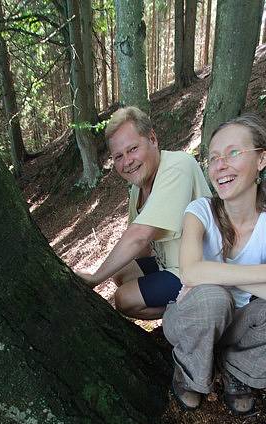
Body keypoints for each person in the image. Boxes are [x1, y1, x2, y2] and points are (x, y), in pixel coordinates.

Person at [162, 113, 266, 415]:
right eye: (213, 158)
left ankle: (238, 368)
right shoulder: (199, 211)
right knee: (212, 296)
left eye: (233, 153)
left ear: (262, 160)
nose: (220, 165)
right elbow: (192, 271)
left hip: (239, 324)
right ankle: (190, 373)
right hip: (190, 318)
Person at [75, 106, 211, 320]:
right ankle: (180, 308)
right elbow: (143, 249)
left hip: (197, 271)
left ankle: (190, 314)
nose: (127, 161)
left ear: (153, 139)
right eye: (118, 156)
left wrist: (95, 278)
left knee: (124, 299)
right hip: (169, 266)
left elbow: (140, 235)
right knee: (121, 273)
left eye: (132, 149)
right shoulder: (138, 189)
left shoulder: (177, 166)